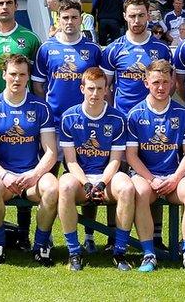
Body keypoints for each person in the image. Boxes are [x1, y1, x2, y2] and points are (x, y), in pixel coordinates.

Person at [0, 54, 59, 265]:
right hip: (4, 177)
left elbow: (51, 152)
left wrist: (34, 175)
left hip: (32, 177)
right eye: (13, 74)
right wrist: (4, 176)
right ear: (4, 74)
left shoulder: (41, 107)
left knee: (52, 188)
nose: (17, 79)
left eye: (22, 75)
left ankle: (41, 245)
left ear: (28, 77)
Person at [126, 60, 185, 274]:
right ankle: (149, 253)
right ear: (146, 82)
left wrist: (175, 179)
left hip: (174, 174)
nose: (161, 87)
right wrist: (151, 179)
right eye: (156, 82)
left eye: (165, 82)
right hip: (146, 175)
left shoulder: (182, 114)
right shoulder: (135, 114)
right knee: (139, 192)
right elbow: (131, 156)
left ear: (171, 84)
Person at [57, 67, 135, 271]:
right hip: (79, 177)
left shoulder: (117, 118)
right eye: (91, 88)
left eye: (100, 89)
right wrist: (87, 184)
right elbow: (71, 162)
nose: (95, 94)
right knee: (64, 186)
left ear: (107, 90)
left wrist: (100, 183)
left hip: (106, 177)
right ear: (82, 88)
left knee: (127, 187)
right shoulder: (68, 117)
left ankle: (119, 251)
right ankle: (74, 251)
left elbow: (115, 161)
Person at [33, 0, 102, 123]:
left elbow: (102, 84)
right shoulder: (46, 48)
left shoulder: (93, 49)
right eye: (65, 18)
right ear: (58, 20)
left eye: (74, 17)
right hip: (54, 120)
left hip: (86, 119)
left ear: (81, 19)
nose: (70, 22)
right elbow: (38, 87)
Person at [102, 0, 172, 113]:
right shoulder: (113, 49)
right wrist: (113, 113)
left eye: (141, 15)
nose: (137, 21)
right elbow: (104, 87)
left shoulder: (162, 49)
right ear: (124, 16)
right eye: (132, 16)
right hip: (123, 115)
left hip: (153, 117)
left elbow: (171, 84)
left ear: (148, 16)